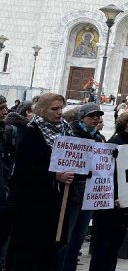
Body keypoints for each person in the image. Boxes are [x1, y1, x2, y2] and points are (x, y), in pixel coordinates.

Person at [5, 93, 73, 271]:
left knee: (49, 255)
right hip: (32, 206)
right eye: (54, 109)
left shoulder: (66, 132)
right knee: (28, 255)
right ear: (42, 110)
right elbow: (23, 169)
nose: (59, 113)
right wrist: (54, 175)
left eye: (61, 108)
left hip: (56, 204)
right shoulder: (30, 132)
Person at [89, 110, 128, 271]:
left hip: (123, 203)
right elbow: (108, 173)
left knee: (114, 247)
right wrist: (114, 196)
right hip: (110, 203)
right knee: (103, 246)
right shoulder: (115, 142)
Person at [56, 103, 107, 271]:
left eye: (98, 116)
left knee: (78, 239)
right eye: (91, 116)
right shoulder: (70, 134)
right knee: (65, 239)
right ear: (81, 117)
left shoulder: (99, 138)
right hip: (71, 194)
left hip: (90, 195)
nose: (95, 119)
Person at [0, 101, 29, 256]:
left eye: (5, 108)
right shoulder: (9, 131)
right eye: (1, 108)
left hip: (6, 191)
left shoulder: (6, 130)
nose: (5, 112)